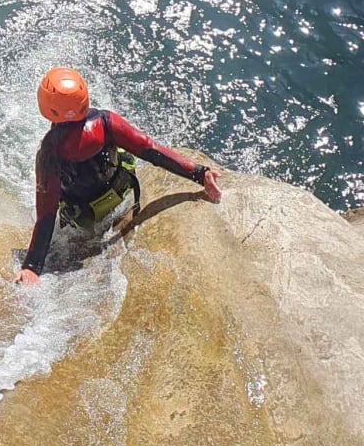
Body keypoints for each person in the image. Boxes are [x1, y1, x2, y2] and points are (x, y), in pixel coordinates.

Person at [14, 67, 220, 286]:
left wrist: (32, 266)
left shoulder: (48, 155)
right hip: (122, 192)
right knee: (124, 154)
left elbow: (46, 216)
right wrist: (200, 173)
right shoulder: (105, 123)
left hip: (85, 217)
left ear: (47, 109)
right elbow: (150, 150)